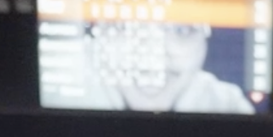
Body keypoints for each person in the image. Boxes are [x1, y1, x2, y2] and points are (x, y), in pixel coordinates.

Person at [78, 25, 255, 114]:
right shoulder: (69, 92)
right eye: (125, 27)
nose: (151, 55)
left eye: (181, 30)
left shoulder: (226, 104)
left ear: (204, 44)